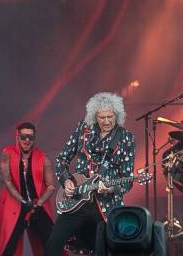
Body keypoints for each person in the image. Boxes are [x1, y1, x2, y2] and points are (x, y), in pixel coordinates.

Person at [45, 92, 135, 255]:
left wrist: (110, 188)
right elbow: (62, 159)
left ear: (117, 115)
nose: (107, 121)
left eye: (110, 117)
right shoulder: (82, 129)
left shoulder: (125, 138)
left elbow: (127, 181)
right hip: (76, 199)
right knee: (53, 245)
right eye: (102, 117)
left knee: (111, 249)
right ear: (94, 116)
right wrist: (66, 181)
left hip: (106, 204)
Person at [0, 122, 55, 256]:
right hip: (15, 203)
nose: (27, 140)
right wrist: (22, 201)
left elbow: (51, 186)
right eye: (23, 136)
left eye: (30, 137)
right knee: (9, 244)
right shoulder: (8, 152)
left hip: (38, 204)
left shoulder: (42, 157)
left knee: (51, 243)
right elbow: (7, 181)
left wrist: (38, 204)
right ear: (17, 137)